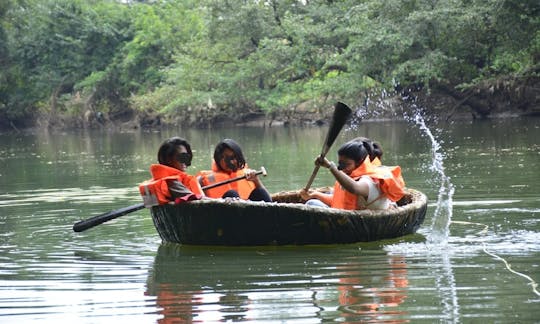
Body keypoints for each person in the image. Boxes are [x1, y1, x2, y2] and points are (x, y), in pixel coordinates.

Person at [299, 139, 405, 210]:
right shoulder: (350, 176)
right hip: (348, 216)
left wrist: (331, 167)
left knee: (311, 205)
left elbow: (354, 188)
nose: (341, 167)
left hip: (364, 221)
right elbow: (338, 200)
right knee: (312, 202)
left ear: (360, 162)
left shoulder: (368, 181)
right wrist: (315, 194)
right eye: (340, 163)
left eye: (346, 164)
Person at [197, 138, 272, 202]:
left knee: (260, 192)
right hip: (222, 215)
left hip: (248, 213)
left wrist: (256, 181)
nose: (233, 162)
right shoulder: (202, 179)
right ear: (218, 159)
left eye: (235, 157)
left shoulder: (248, 173)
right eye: (228, 158)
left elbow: (268, 198)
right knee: (232, 195)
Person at [139, 137, 204, 206]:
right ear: (168, 159)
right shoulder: (172, 183)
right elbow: (196, 199)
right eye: (182, 157)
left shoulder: (167, 180)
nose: (185, 161)